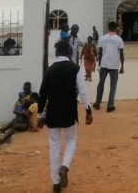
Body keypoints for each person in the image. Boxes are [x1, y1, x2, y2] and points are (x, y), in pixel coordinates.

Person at [37, 40, 92, 193]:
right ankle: (65, 166)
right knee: (71, 139)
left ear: (56, 53)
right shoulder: (75, 69)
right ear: (70, 52)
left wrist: (41, 115)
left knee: (54, 145)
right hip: (69, 113)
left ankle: (55, 182)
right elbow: (83, 91)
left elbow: (42, 94)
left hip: (53, 113)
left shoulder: (50, 70)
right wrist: (88, 110)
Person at [93, 21, 125, 113]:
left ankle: (97, 103)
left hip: (104, 64)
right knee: (113, 86)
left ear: (108, 27)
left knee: (100, 84)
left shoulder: (103, 38)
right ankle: (110, 105)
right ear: (116, 28)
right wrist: (122, 66)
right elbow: (122, 53)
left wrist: (99, 64)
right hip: (114, 65)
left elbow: (100, 52)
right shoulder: (119, 39)